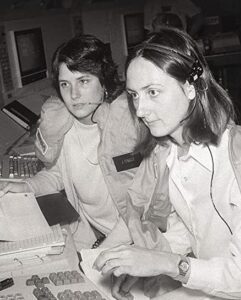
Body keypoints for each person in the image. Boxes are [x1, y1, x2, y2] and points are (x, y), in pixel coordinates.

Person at [93, 28, 241, 299]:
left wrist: (167, 264)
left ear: (191, 87)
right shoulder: (166, 153)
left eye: (153, 92)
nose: (140, 110)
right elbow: (191, 228)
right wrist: (148, 262)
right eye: (134, 95)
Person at [0, 35, 171, 254]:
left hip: (136, 239)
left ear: (104, 81)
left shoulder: (133, 124)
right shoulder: (64, 126)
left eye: (83, 81)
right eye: (65, 84)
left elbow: (146, 201)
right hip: (93, 236)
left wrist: (107, 251)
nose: (73, 95)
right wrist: (27, 187)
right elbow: (57, 175)